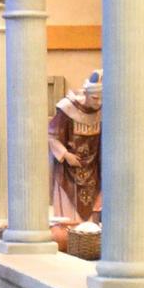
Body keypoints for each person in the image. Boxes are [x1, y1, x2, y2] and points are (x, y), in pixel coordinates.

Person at [48, 70, 103, 223]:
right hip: (69, 171)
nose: (98, 103)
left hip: (92, 170)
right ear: (86, 93)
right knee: (69, 215)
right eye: (95, 98)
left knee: (91, 216)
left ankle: (86, 243)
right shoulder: (68, 108)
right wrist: (65, 154)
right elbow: (51, 135)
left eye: (101, 99)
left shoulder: (102, 111)